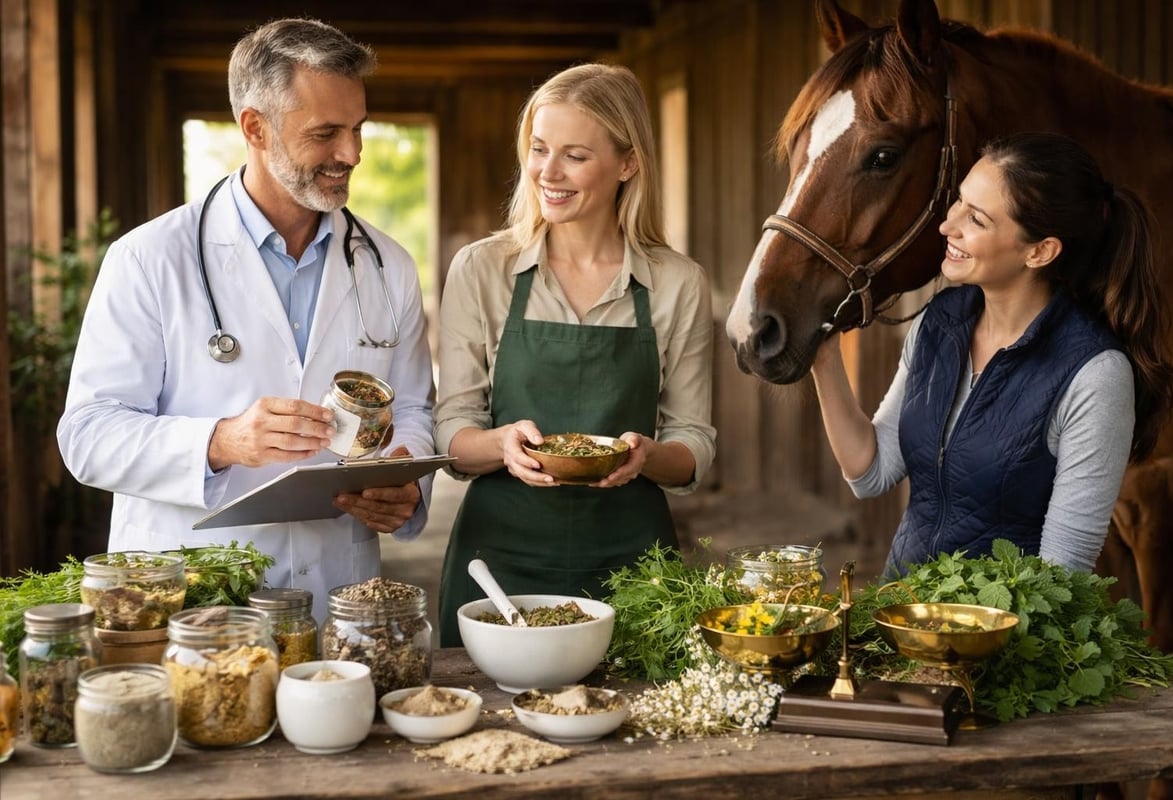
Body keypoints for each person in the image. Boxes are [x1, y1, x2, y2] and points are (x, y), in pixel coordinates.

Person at [57, 18, 436, 620]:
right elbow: (88, 435)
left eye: (358, 129)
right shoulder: (150, 257)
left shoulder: (387, 264)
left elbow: (413, 406)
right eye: (326, 132)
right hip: (195, 590)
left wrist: (405, 482)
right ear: (254, 128)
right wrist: (221, 441)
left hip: (343, 589)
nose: (353, 153)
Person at [433, 63, 716, 646]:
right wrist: (501, 446)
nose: (548, 172)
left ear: (628, 163)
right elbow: (452, 432)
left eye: (575, 156)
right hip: (498, 563)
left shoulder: (677, 282)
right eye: (539, 149)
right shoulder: (483, 270)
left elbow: (695, 445)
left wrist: (647, 455)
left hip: (634, 566)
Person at [811, 131, 1173, 578]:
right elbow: (871, 472)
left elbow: (1063, 571)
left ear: (1040, 251)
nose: (948, 226)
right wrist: (823, 359)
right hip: (904, 612)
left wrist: (963, 634)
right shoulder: (939, 323)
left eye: (977, 220)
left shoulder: (1095, 374)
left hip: (1005, 635)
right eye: (959, 203)